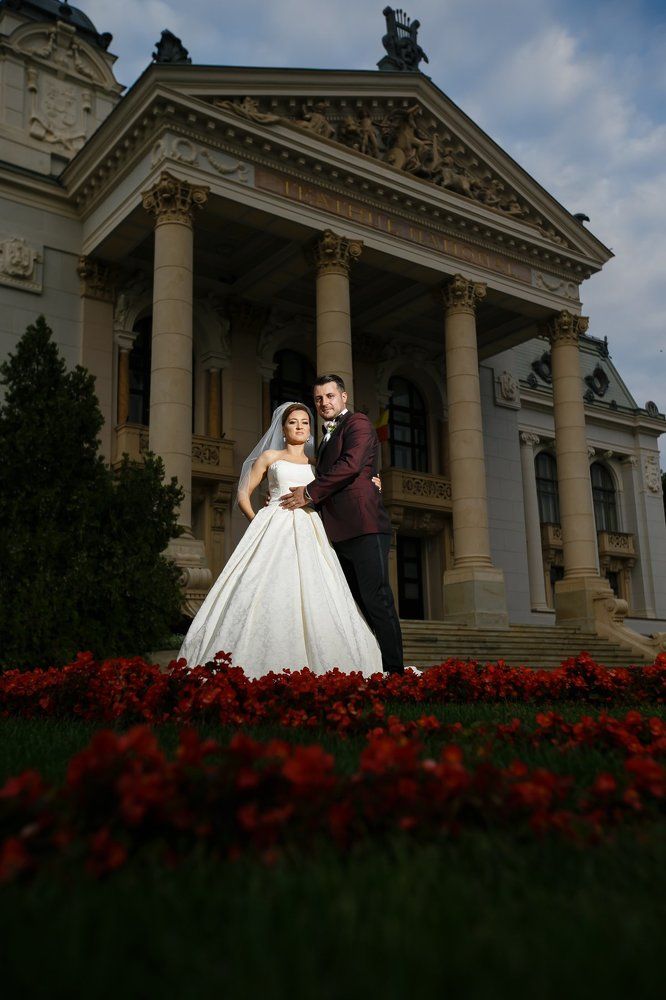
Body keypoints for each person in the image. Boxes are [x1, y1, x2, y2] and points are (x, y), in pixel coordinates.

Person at [177, 402, 382, 677]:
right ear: (283, 429)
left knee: (317, 591)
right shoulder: (270, 457)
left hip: (310, 529)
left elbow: (340, 482)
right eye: (293, 422)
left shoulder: (317, 464)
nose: (299, 426)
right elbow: (242, 495)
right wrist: (259, 520)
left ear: (310, 431)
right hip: (274, 526)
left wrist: (371, 482)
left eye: (305, 423)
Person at [281, 375, 405, 675]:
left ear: (343, 397)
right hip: (336, 532)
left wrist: (309, 492)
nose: (324, 403)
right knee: (356, 603)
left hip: (364, 525)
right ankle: (373, 663)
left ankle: (396, 671)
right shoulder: (325, 438)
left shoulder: (358, 423)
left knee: (377, 599)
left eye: (330, 396)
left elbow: (350, 465)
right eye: (319, 398)